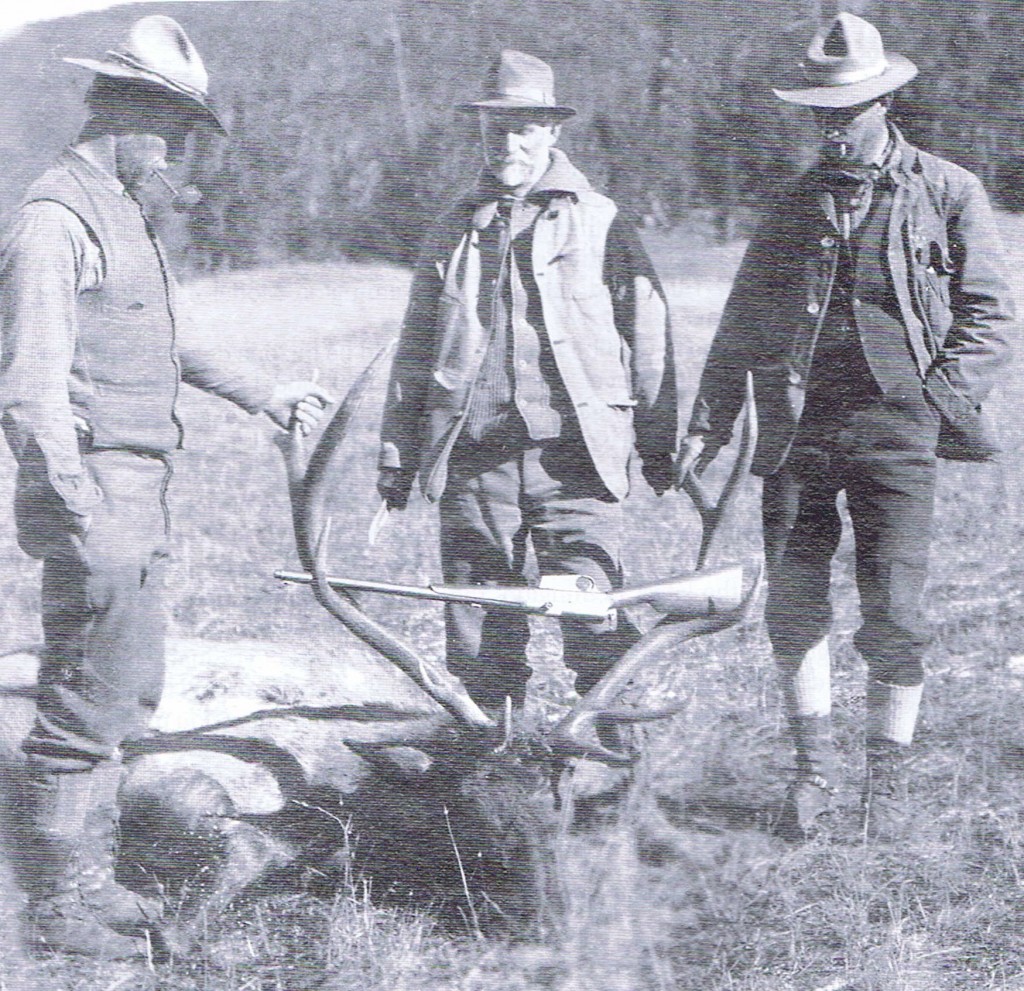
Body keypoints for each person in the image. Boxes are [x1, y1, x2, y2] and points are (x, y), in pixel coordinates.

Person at [0, 16, 333, 957]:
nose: (181, 158)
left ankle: (89, 880)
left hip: (136, 490)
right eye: (176, 134)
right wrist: (80, 509)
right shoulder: (54, 220)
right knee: (81, 696)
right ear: (131, 118)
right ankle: (57, 904)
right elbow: (27, 386)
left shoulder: (122, 217)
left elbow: (164, 342)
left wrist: (266, 395)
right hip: (96, 495)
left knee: (122, 690)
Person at [679, 13, 1014, 842]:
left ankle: (887, 781)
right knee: (794, 602)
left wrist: (937, 399)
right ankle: (812, 772)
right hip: (798, 432)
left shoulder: (947, 190)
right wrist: (711, 424)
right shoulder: (791, 205)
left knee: (895, 607)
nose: (833, 126)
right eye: (821, 112)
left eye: (848, 110)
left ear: (885, 103)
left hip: (902, 431)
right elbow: (742, 324)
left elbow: (992, 314)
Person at [377, 50, 677, 723]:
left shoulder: (600, 221)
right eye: (494, 130)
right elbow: (414, 349)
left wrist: (659, 443)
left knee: (595, 625)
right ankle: (491, 803)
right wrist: (398, 454)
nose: (508, 144)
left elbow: (649, 332)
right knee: (481, 646)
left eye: (524, 129)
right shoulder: (452, 228)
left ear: (553, 134)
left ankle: (617, 800)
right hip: (475, 468)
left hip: (572, 467)